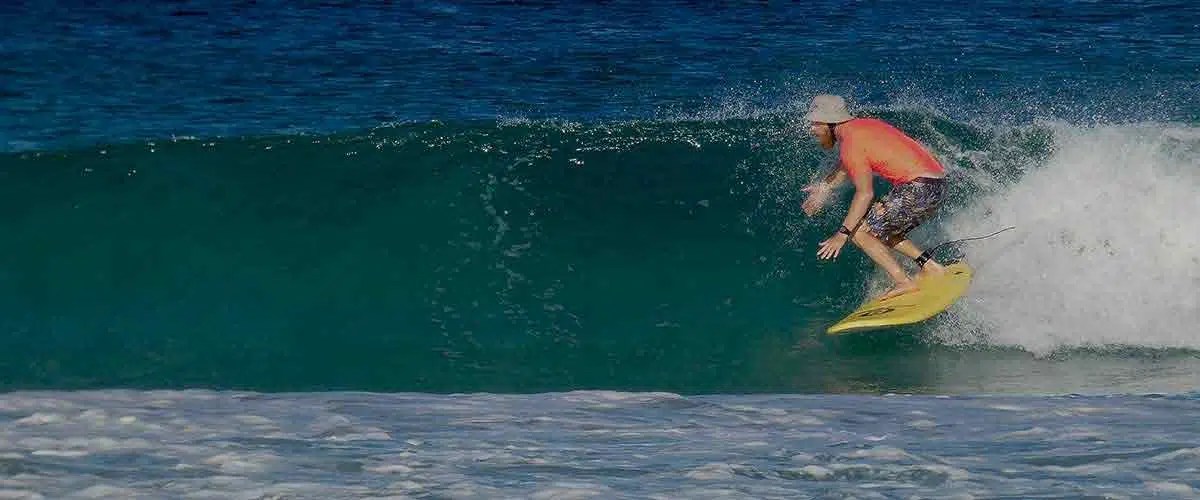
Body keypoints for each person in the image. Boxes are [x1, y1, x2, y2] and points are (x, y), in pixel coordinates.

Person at [799, 94, 948, 301]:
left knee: (860, 233)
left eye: (815, 123)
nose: (812, 129)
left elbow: (865, 193)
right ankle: (931, 267)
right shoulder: (863, 126)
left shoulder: (851, 144)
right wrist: (824, 187)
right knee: (881, 228)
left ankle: (904, 282)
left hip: (917, 189)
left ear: (829, 123)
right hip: (936, 183)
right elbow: (846, 166)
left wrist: (842, 234)